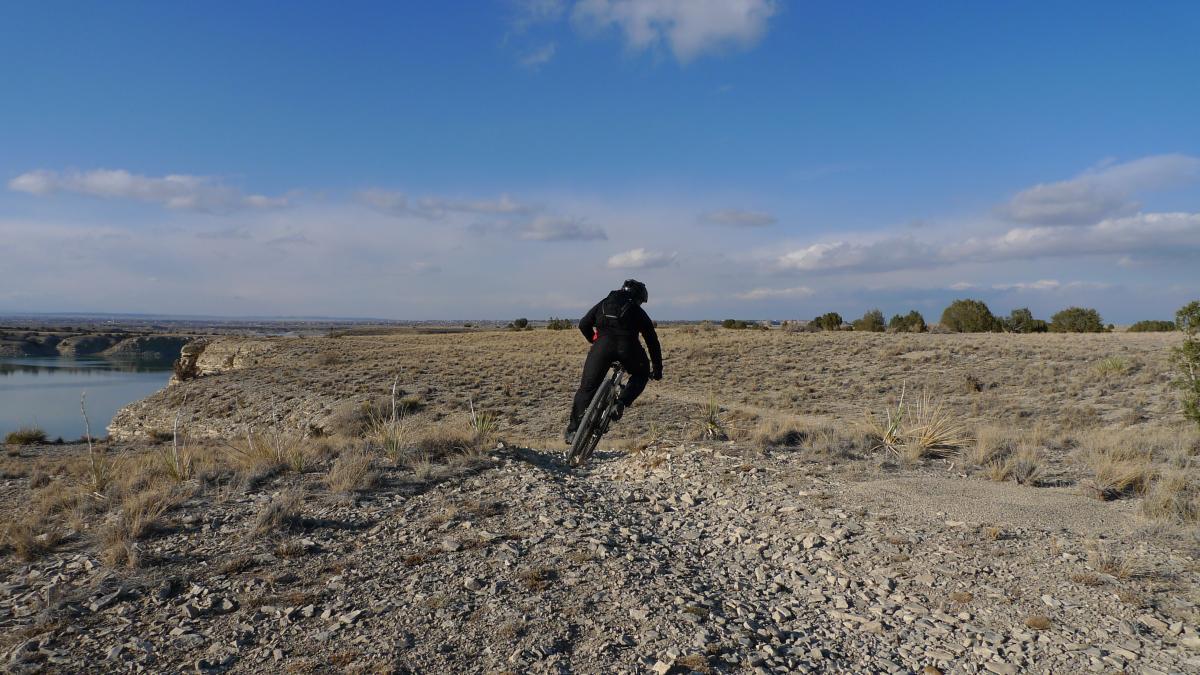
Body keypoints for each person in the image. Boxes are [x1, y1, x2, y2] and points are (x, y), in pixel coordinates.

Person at [565, 279, 663, 444]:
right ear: (638, 297)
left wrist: (594, 340)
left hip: (602, 347)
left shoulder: (604, 303)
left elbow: (583, 324)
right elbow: (652, 340)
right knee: (641, 373)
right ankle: (621, 402)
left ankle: (573, 430)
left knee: (586, 389)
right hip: (629, 348)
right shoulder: (636, 310)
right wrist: (657, 369)